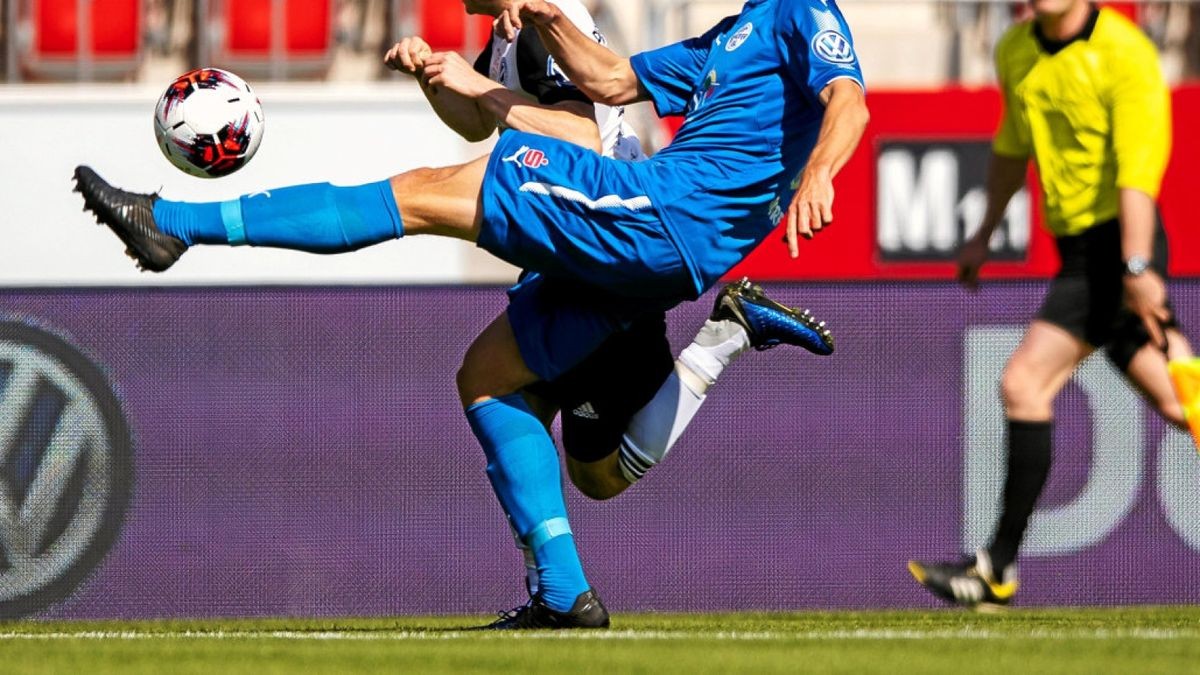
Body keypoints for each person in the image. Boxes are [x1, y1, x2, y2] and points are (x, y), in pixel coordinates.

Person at [74, 0, 869, 628]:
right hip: (656, 247)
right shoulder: (732, 33)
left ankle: (173, 225)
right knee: (491, 378)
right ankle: (563, 592)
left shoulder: (803, 9)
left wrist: (820, 174)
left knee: (420, 193)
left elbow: (848, 103)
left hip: (653, 215)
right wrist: (537, 25)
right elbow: (614, 79)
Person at [383, 0, 836, 620]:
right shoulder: (510, 33)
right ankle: (557, 594)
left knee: (588, 465)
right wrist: (433, 75)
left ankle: (723, 337)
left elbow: (579, 136)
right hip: (583, 238)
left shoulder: (543, 29)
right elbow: (478, 120)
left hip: (604, 242)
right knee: (514, 399)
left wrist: (482, 86)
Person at [908, 0, 1200, 610]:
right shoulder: (1016, 51)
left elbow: (1139, 173)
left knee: (1024, 382)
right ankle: (996, 569)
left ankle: (995, 568)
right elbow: (1013, 149)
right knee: (1182, 401)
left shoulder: (1125, 53)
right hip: (1082, 254)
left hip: (1117, 245)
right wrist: (984, 230)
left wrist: (1138, 265)